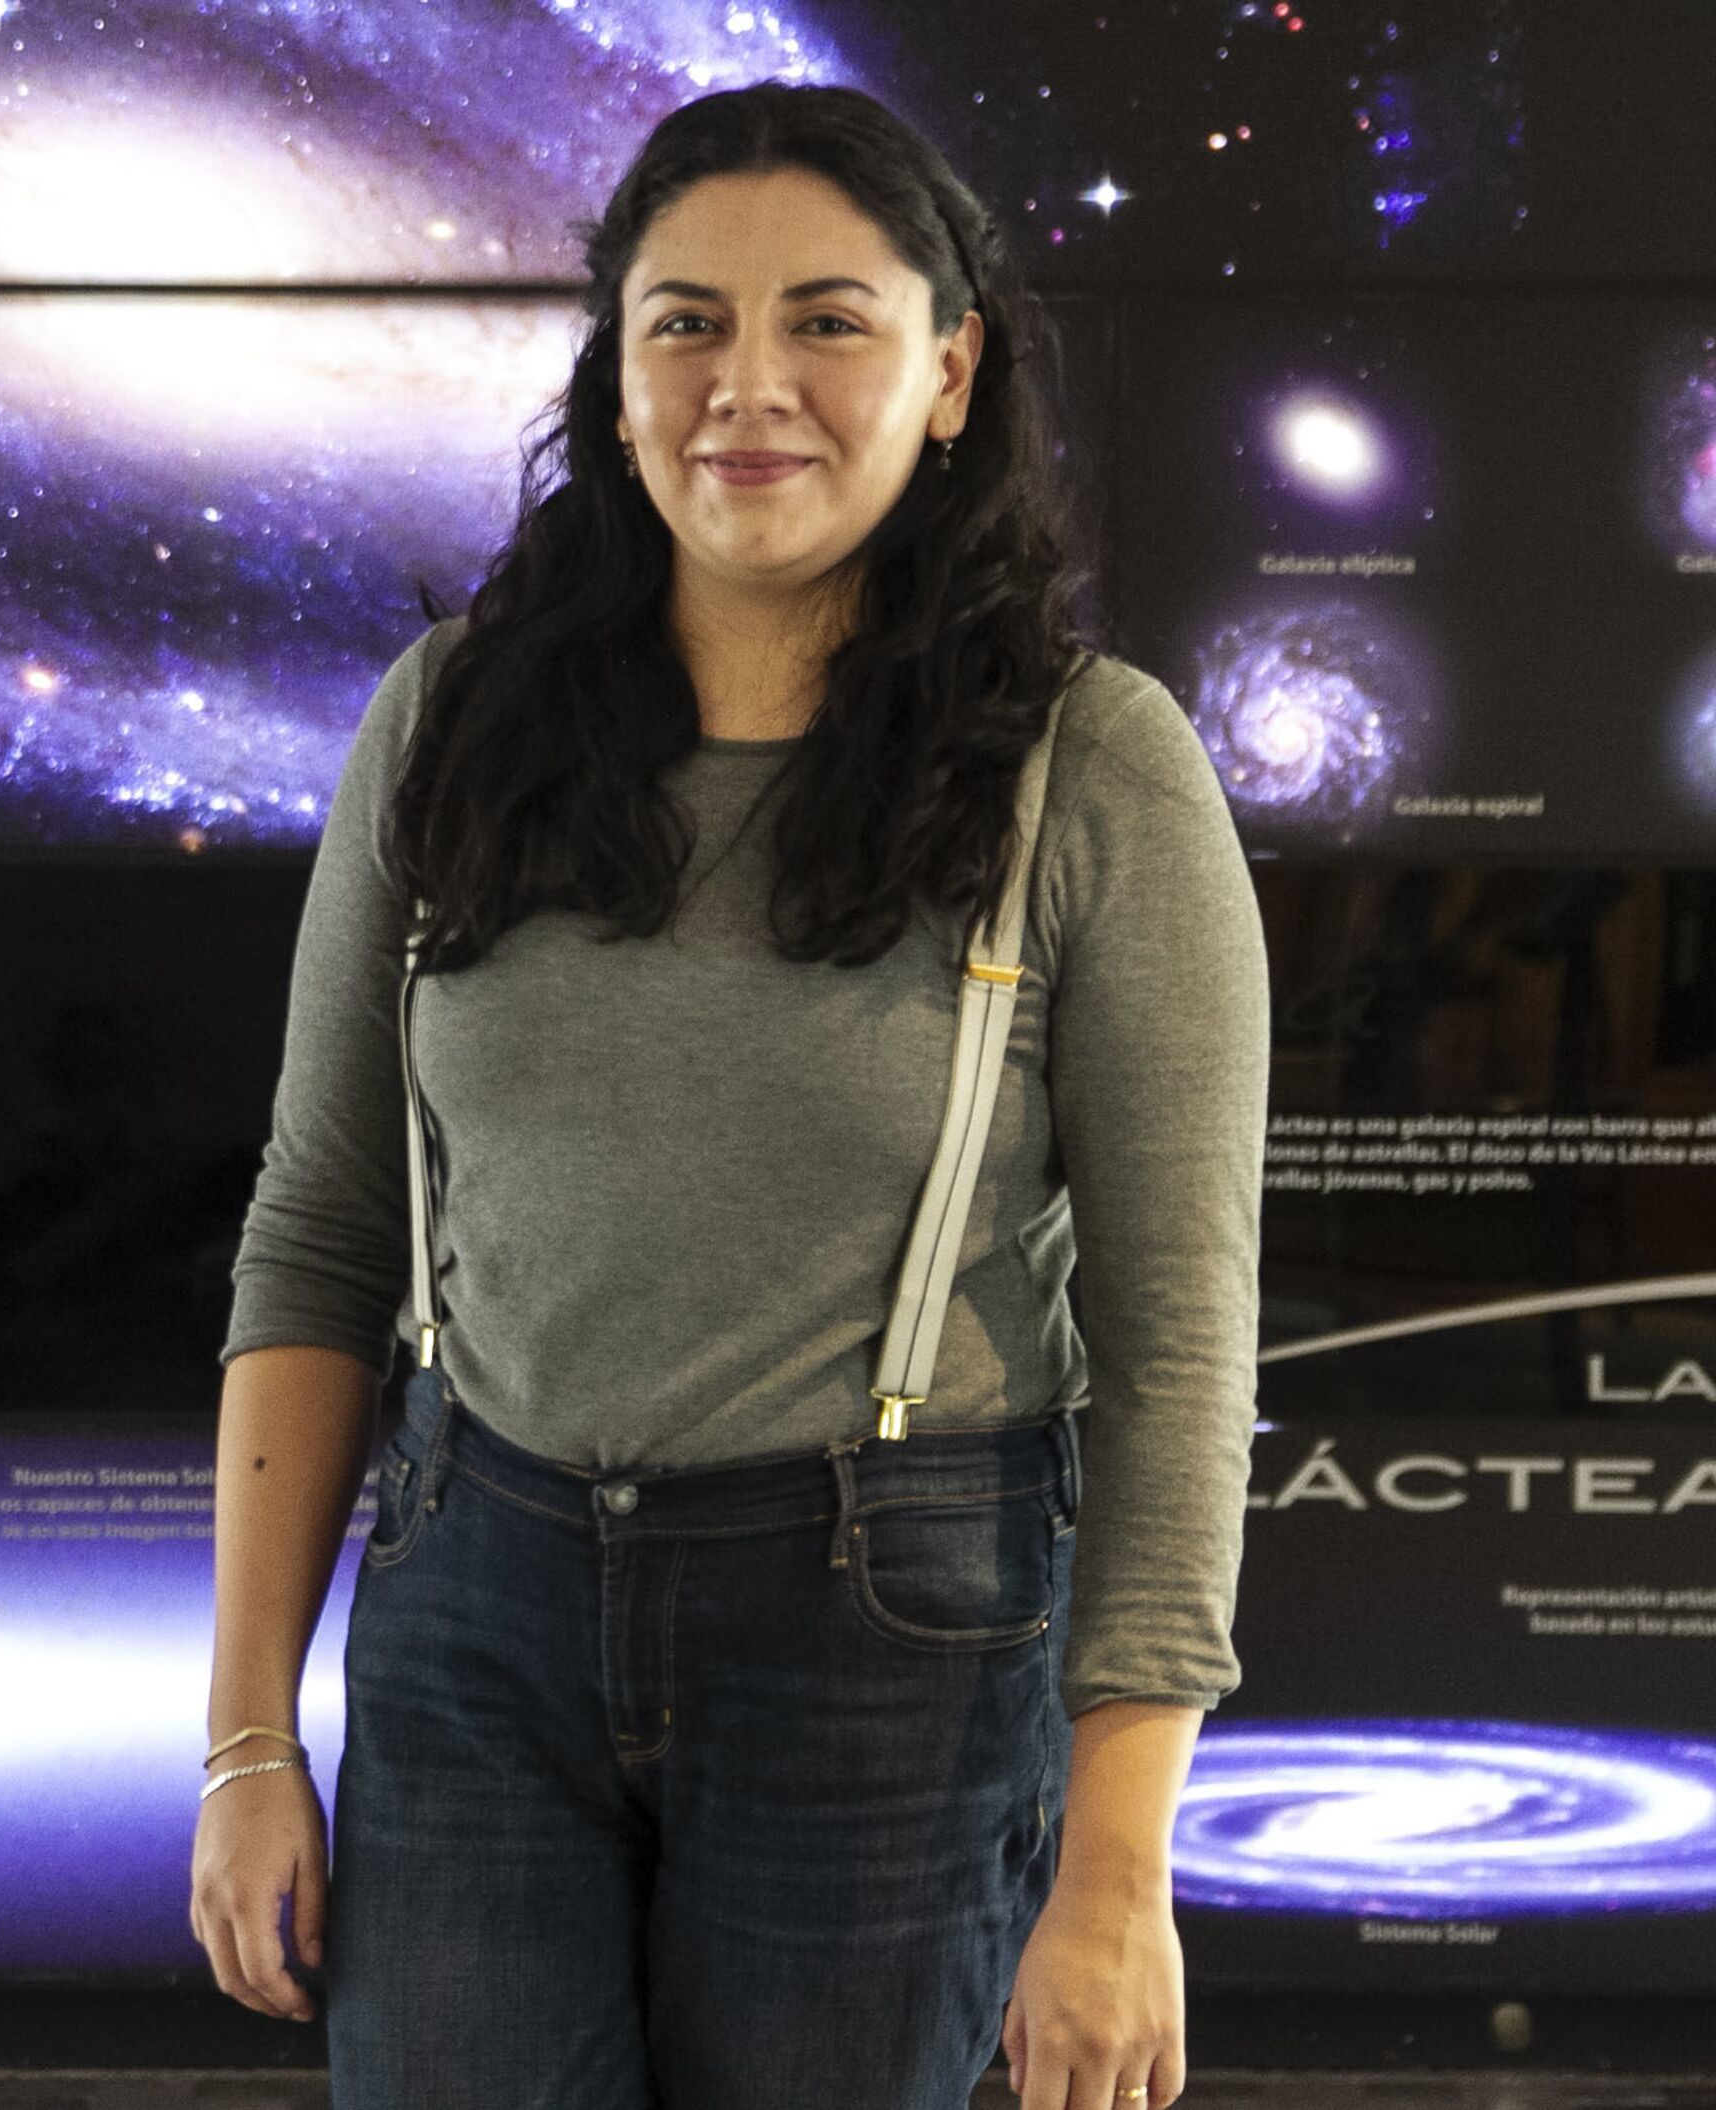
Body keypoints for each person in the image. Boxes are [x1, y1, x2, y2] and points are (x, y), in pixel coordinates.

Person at [189, 79, 1269, 2110]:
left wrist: (1122, 1869)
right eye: (685, 321)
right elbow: (321, 1226)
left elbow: (1181, 1339)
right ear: (617, 378)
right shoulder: (448, 722)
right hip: (477, 1591)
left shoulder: (1090, 768)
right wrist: (249, 1734)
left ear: (950, 374)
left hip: (890, 1630)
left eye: (828, 321)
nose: (745, 385)